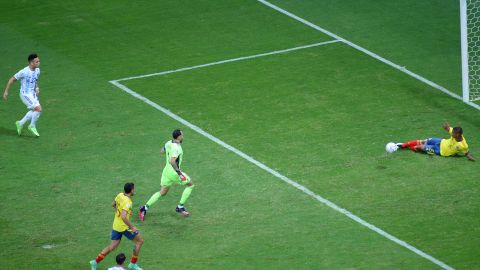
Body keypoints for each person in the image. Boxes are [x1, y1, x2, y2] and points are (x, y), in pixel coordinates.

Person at [139, 129, 195, 220]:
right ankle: (180, 207)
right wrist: (179, 173)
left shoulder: (169, 142)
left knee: (163, 192)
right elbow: (172, 161)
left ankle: (144, 208)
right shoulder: (176, 148)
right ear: (179, 137)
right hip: (174, 173)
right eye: (182, 135)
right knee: (190, 185)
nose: (183, 137)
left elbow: (161, 151)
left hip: (166, 171)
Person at [90, 183, 144, 270]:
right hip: (124, 227)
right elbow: (123, 216)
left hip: (116, 225)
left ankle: (95, 262)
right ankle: (133, 264)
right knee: (139, 241)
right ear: (131, 190)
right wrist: (132, 227)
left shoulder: (120, 195)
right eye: (134, 189)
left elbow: (113, 204)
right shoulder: (128, 202)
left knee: (112, 247)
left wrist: (117, 212)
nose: (134, 190)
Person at [3, 53, 42, 137]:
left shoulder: (37, 70)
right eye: (37, 61)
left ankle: (20, 123)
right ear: (31, 62)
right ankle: (32, 126)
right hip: (25, 94)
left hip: (32, 94)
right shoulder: (24, 72)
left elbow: (35, 80)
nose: (39, 63)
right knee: (38, 109)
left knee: (35, 111)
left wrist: (37, 88)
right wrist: (6, 92)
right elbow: (12, 79)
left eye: (39, 61)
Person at [397, 122, 475, 161]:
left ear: (458, 134)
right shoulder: (454, 133)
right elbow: (449, 129)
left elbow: (467, 152)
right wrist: (446, 127)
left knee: (420, 147)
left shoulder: (463, 145)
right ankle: (403, 145)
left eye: (454, 133)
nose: (452, 133)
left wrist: (470, 157)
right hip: (440, 141)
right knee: (424, 141)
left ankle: (408, 147)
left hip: (439, 151)